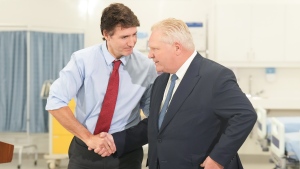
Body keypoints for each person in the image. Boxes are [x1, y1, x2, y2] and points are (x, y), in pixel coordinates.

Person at [45, 3, 157, 169]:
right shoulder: (82, 60)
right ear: (106, 34)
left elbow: (153, 112)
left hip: (126, 154)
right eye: (124, 37)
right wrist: (89, 137)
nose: (132, 42)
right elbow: (55, 101)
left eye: (134, 34)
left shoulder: (146, 66)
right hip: (86, 150)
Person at [144, 18, 257, 169]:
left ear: (177, 48)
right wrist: (115, 140)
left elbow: (245, 114)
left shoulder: (215, 76)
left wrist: (217, 159)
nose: (150, 55)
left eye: (155, 49)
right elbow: (158, 126)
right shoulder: (161, 81)